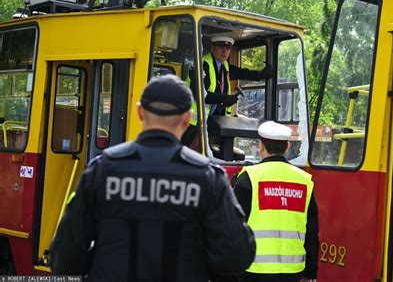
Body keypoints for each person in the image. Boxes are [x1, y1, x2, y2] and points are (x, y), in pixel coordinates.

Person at [50, 75, 256, 281]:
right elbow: (236, 256)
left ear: (140, 112)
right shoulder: (208, 178)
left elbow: (65, 257)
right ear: (187, 119)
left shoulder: (101, 170)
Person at [233, 121, 319, 282]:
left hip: (254, 270)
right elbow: (312, 233)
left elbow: (233, 228)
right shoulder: (305, 181)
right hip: (293, 272)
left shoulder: (248, 178)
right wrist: (311, 274)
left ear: (260, 146)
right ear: (287, 147)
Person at [181, 35, 273, 147]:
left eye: (228, 49)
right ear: (213, 48)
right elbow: (200, 95)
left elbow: (241, 72)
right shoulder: (201, 65)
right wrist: (224, 99)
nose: (225, 51)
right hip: (192, 123)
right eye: (221, 48)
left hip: (214, 122)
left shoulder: (224, 66)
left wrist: (260, 75)